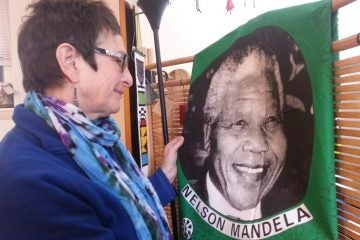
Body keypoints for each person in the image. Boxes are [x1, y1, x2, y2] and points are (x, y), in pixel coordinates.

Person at [0, 0, 183, 239]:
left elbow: (121, 213)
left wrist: (164, 176)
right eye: (119, 60)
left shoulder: (90, 139)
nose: (128, 78)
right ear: (70, 62)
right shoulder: (31, 183)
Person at [179, 26, 313, 221]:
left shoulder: (297, 212)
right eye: (239, 123)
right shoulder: (181, 205)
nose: (258, 144)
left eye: (271, 121)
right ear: (209, 135)